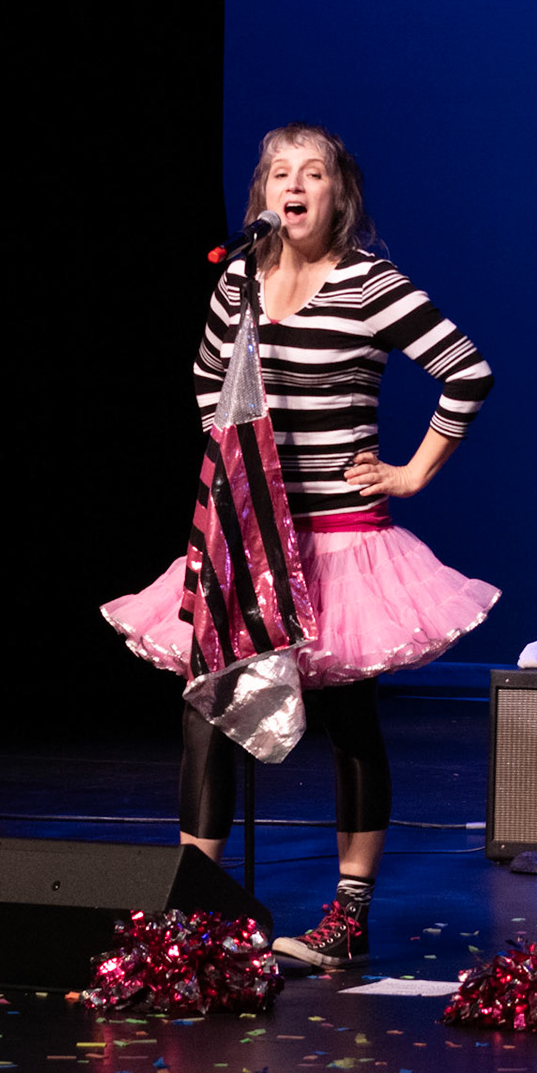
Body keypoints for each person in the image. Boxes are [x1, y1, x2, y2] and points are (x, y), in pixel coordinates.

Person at [104, 123, 497, 969]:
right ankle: (196, 913)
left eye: (312, 172)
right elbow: (207, 382)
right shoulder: (239, 280)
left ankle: (349, 916)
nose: (294, 185)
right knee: (207, 708)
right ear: (262, 195)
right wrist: (238, 473)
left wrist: (412, 472)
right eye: (279, 171)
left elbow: (467, 371)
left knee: (348, 718)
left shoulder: (369, 284)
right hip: (248, 538)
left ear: (337, 193)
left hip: (339, 541)